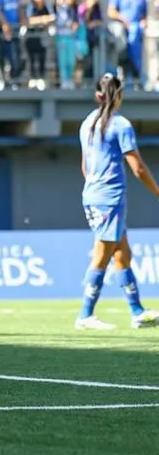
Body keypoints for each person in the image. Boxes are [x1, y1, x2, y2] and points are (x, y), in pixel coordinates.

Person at [76, 74, 159, 330]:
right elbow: (139, 168)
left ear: (97, 95)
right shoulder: (120, 124)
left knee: (123, 254)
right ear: (119, 95)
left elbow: (85, 167)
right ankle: (85, 315)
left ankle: (137, 311)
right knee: (102, 256)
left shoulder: (87, 122)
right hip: (108, 199)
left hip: (94, 195)